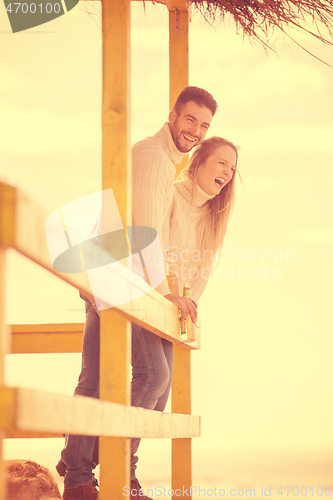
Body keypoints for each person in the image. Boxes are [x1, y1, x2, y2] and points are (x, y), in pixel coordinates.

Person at [56, 86, 218, 500]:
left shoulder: (166, 160)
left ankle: (82, 465)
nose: (195, 130)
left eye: (204, 125)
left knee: (109, 379)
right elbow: (145, 233)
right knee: (152, 376)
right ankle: (98, 465)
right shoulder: (153, 158)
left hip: (118, 273)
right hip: (117, 274)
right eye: (190, 120)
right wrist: (166, 295)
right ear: (173, 116)